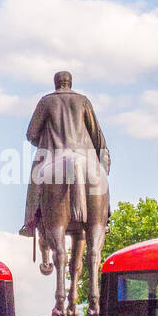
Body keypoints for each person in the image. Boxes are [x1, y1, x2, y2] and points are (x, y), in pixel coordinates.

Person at [19, 71, 110, 237]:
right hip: (84, 156)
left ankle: (31, 221)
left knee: (36, 178)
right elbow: (97, 134)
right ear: (70, 83)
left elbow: (31, 134)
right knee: (100, 181)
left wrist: (42, 141)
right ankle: (105, 218)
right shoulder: (83, 101)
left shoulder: (46, 101)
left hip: (53, 155)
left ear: (56, 83)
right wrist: (103, 167)